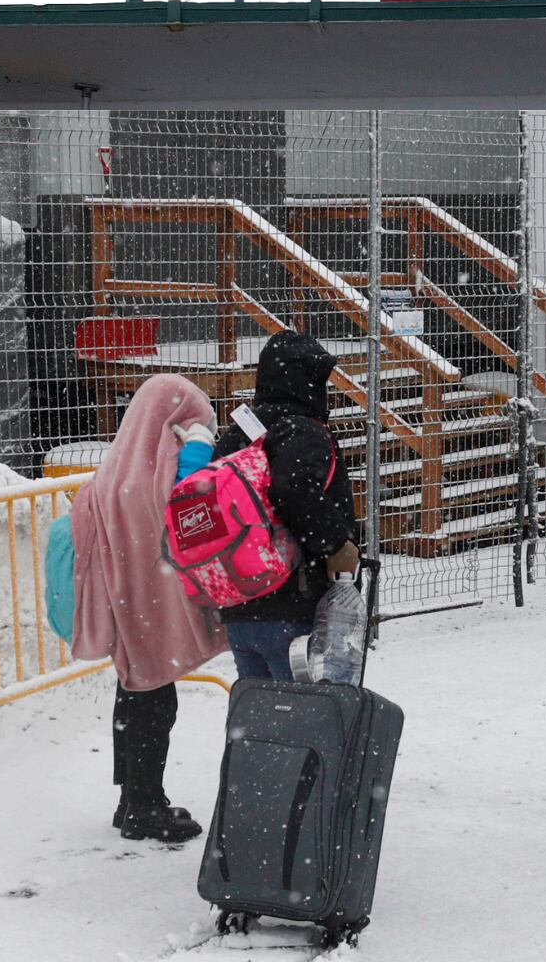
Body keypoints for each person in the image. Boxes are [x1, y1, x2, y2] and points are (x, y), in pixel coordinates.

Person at [69, 374, 228, 841]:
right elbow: (187, 505)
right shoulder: (159, 475)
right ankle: (144, 805)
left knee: (134, 692)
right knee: (156, 701)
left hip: (126, 606)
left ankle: (131, 799)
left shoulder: (114, 474)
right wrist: (198, 450)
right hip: (153, 606)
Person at [213, 331, 361, 681]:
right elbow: (293, 488)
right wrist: (337, 544)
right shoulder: (303, 430)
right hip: (294, 605)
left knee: (259, 711)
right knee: (306, 711)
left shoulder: (239, 434)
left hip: (241, 607)